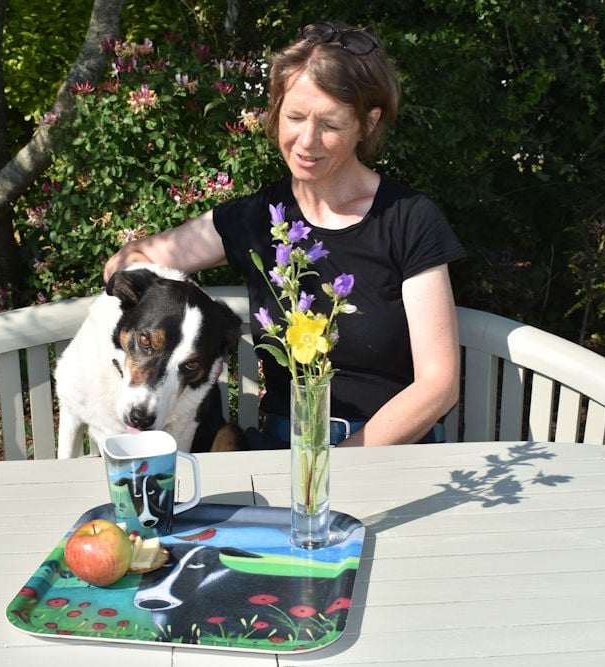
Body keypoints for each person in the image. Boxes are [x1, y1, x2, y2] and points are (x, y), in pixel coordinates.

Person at [104, 20, 466, 448]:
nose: (306, 141)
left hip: (391, 454)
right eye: (294, 117)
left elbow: (439, 383)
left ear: (368, 123)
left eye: (330, 125)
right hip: (283, 451)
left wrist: (339, 465)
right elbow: (125, 264)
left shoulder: (408, 218)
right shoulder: (257, 218)